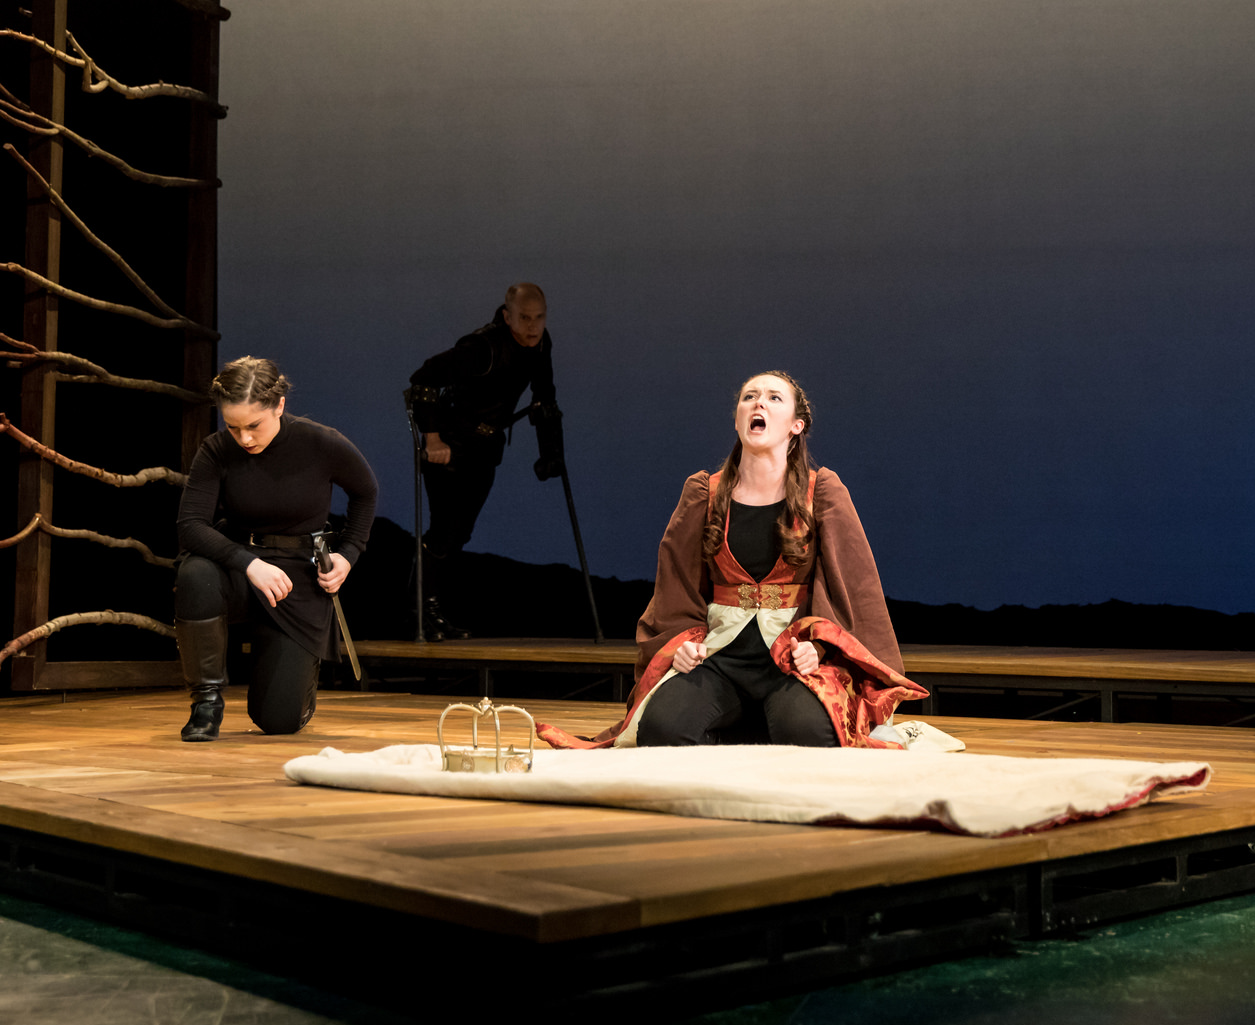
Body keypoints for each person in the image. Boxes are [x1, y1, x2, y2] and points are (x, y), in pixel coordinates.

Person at [538, 372, 926, 751]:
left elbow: (853, 586)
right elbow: (676, 586)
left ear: (796, 425)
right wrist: (683, 644)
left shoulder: (821, 492)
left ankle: (761, 726)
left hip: (791, 661)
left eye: (774, 398)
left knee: (810, 734)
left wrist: (819, 648)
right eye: (749, 397)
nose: (759, 403)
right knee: (661, 728)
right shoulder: (703, 492)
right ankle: (739, 731)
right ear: (738, 420)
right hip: (721, 656)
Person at [173, 357, 378, 741]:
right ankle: (206, 702)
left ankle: (294, 682)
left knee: (278, 721)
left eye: (254, 426)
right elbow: (191, 526)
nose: (244, 439)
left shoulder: (321, 442)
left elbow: (366, 493)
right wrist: (249, 563)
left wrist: (349, 554)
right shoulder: (216, 449)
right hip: (240, 569)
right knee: (195, 572)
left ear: (279, 405)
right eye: (233, 427)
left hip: (296, 576)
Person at [408, 283, 563, 639]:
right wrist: (433, 440)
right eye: (524, 318)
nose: (533, 326)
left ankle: (429, 610)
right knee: (445, 529)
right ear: (507, 316)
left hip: (485, 447)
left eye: (539, 318)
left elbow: (545, 396)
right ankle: (419, 614)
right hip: (449, 444)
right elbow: (423, 380)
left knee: (460, 532)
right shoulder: (481, 347)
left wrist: (551, 453)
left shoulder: (541, 344)